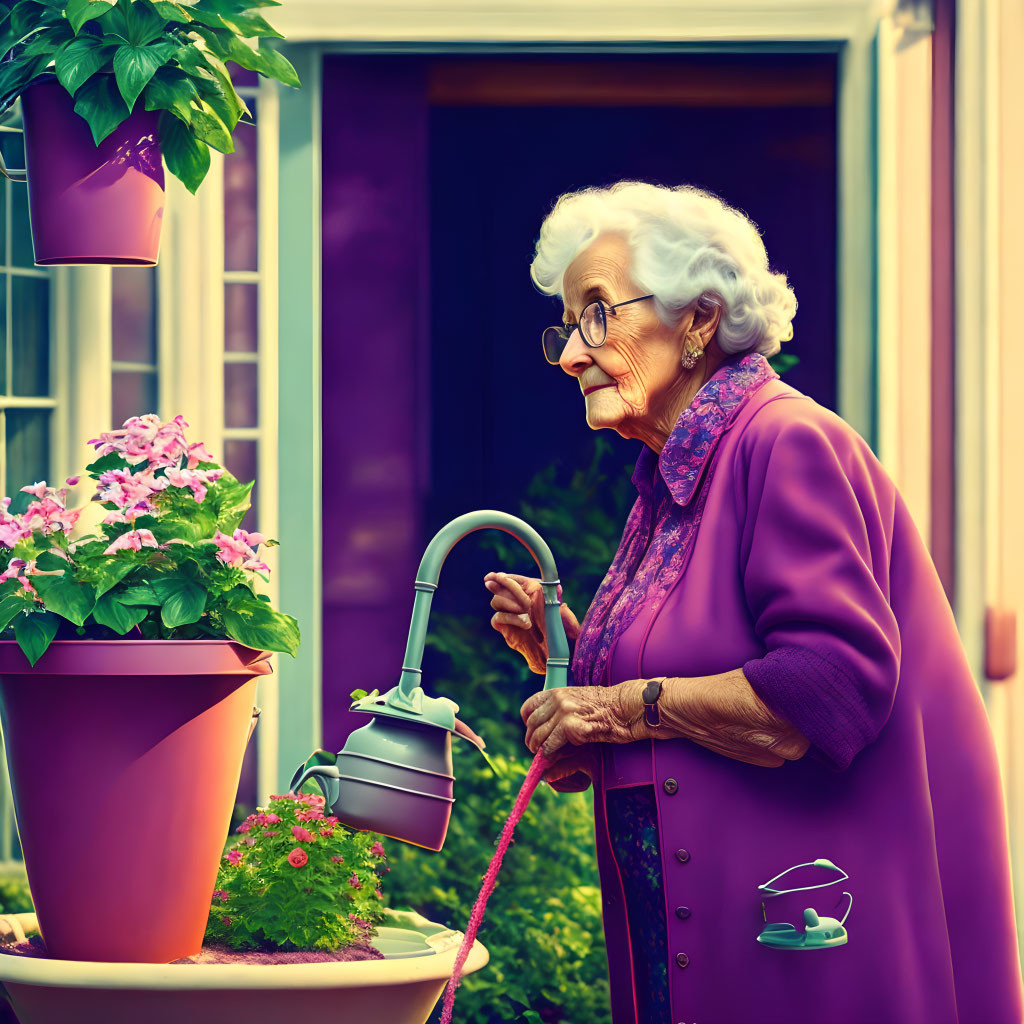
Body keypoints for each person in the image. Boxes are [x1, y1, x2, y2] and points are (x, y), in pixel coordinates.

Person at [484, 181, 1023, 1024]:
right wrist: (569, 654)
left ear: (697, 320)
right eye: (567, 325)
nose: (569, 354)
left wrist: (617, 706)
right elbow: (677, 689)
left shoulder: (785, 442)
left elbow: (822, 692)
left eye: (598, 314)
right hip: (687, 946)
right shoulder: (668, 481)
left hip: (802, 947)